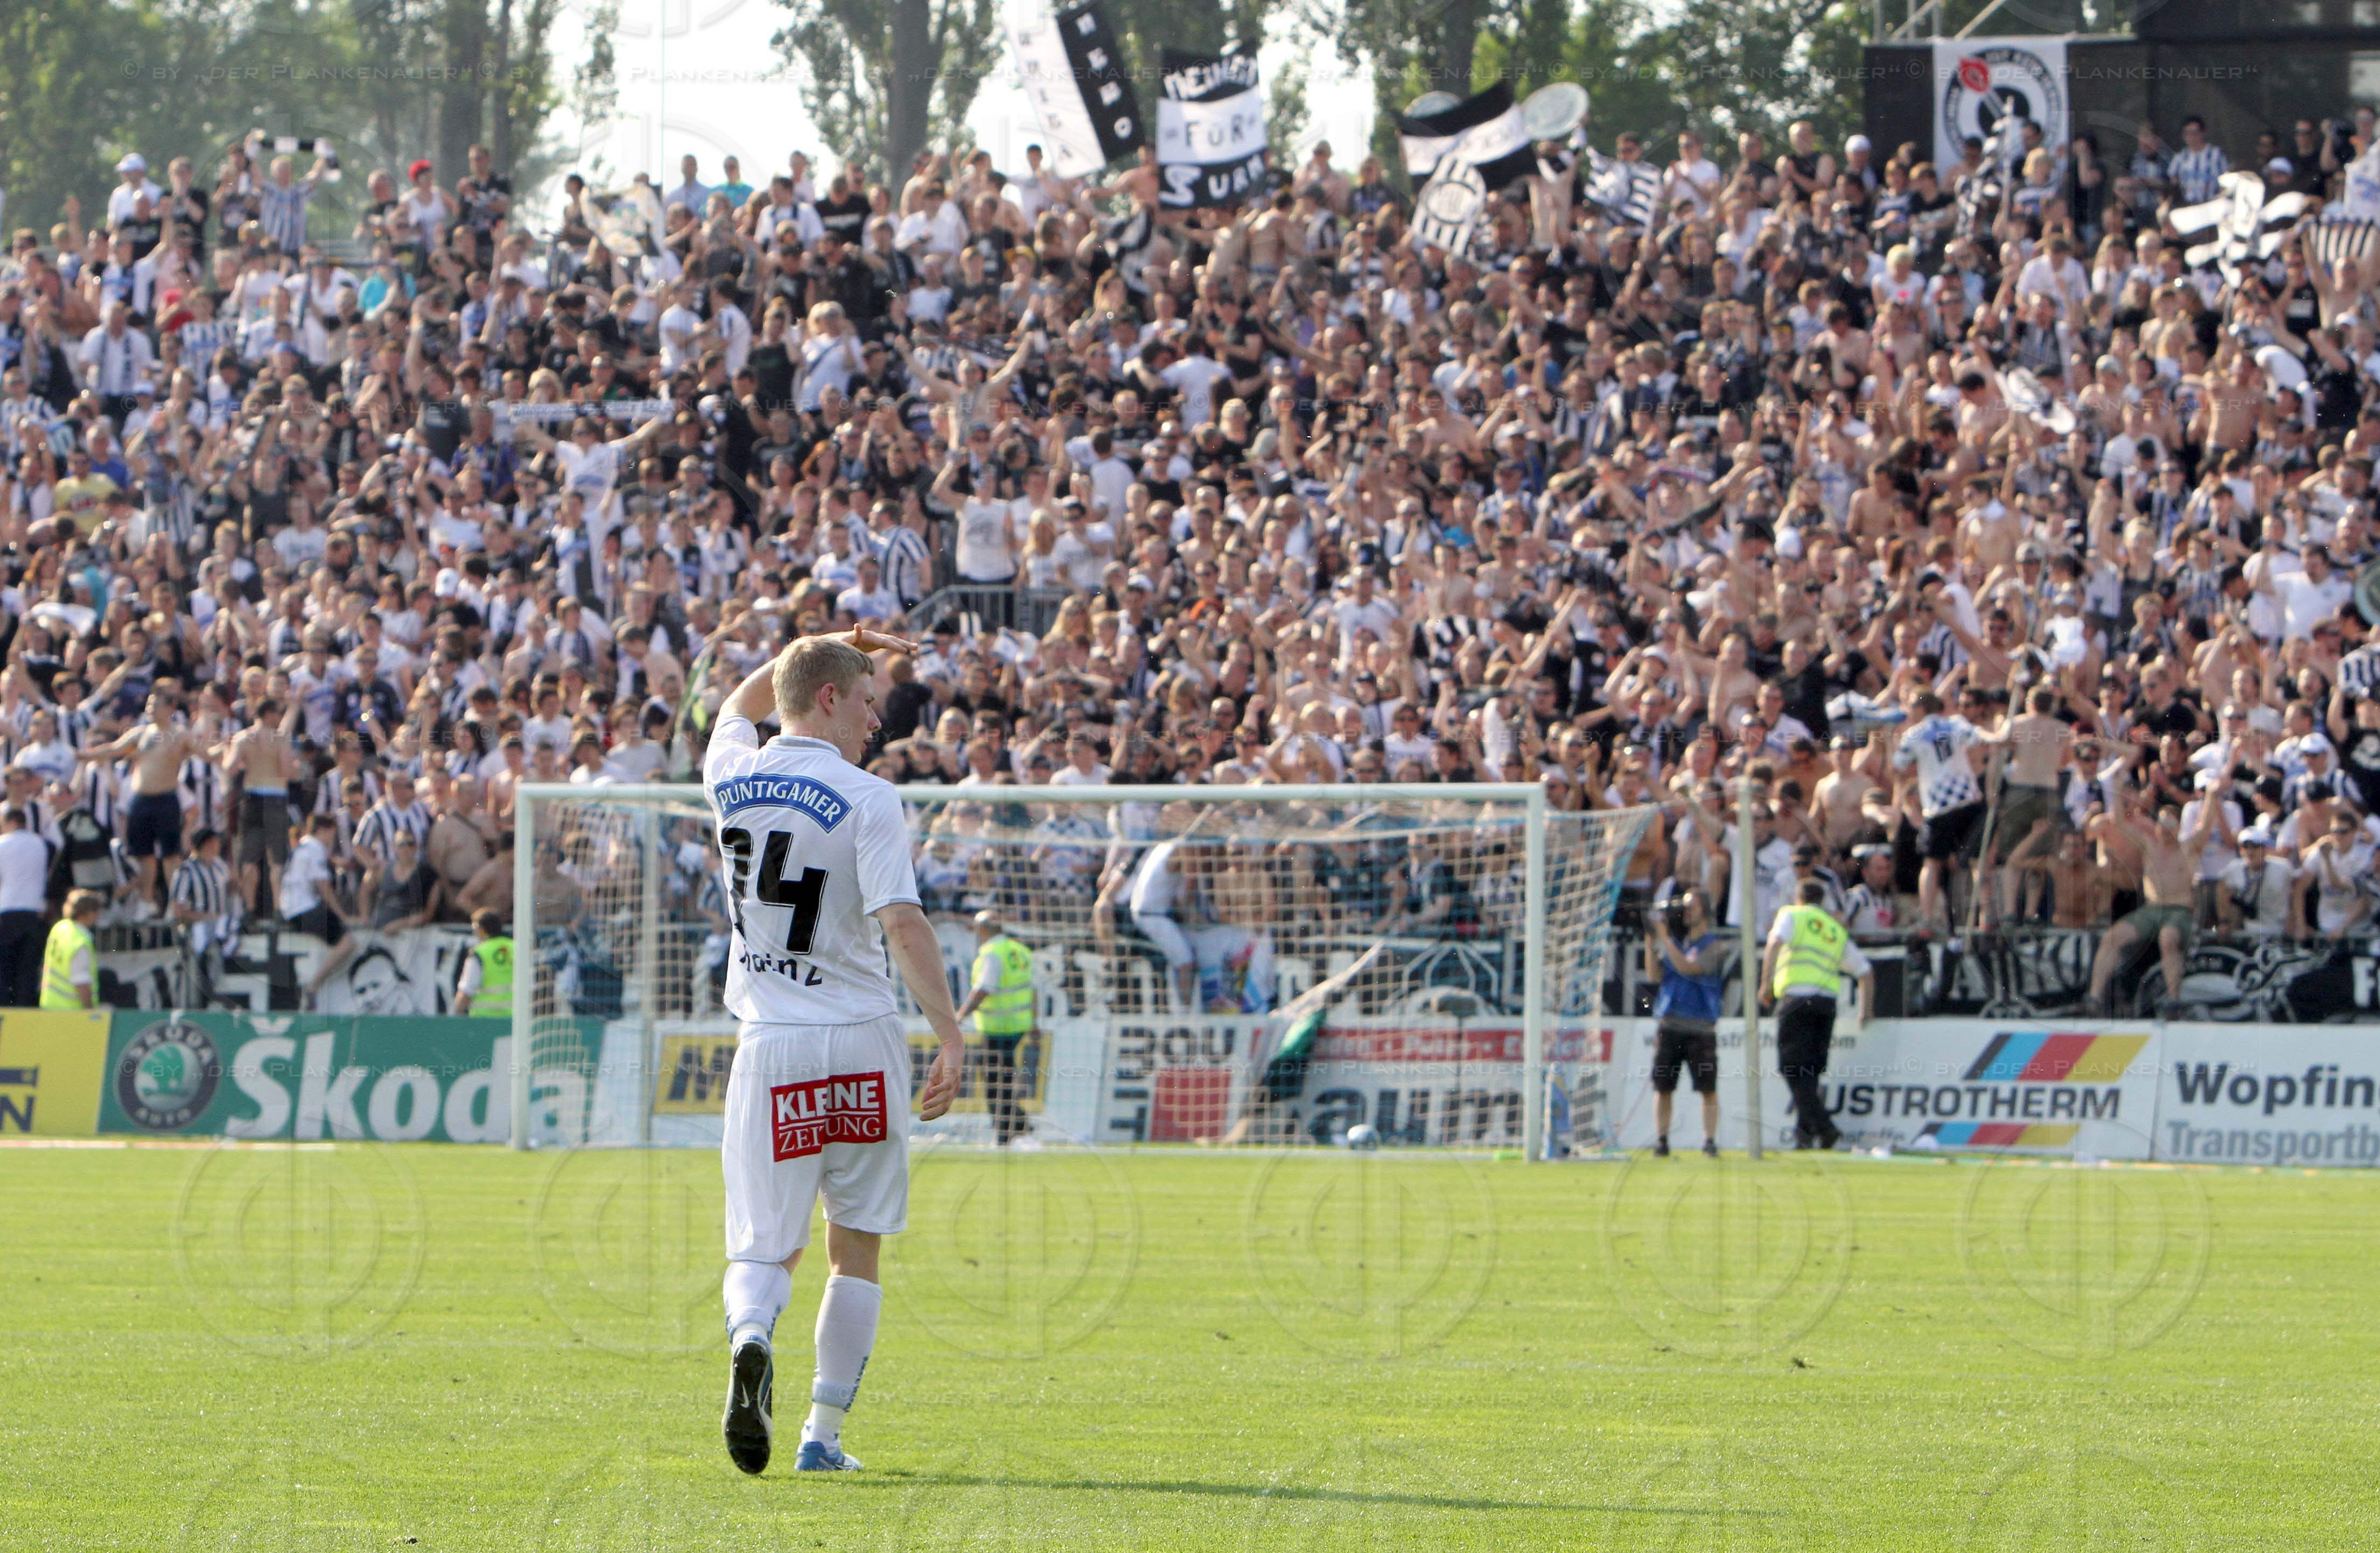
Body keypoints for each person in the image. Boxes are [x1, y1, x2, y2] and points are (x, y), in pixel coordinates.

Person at [705, 625, 964, 1476]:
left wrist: (821, 641)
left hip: (772, 1042)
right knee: (856, 1242)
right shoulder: (869, 797)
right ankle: (822, 1435)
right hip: (859, 1042)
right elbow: (902, 923)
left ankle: (752, 1337)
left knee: (761, 1246)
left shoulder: (729, 773)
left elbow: (743, 701)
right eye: (865, 701)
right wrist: (950, 1033)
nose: (876, 721)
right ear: (828, 699)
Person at [1759, 877, 1872, 1150]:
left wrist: (1766, 983)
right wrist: (1865, 1010)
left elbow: (1774, 944)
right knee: (1810, 1072)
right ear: (1822, 901)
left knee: (1791, 1068)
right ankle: (1804, 1136)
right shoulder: (1834, 929)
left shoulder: (1792, 915)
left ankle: (1825, 1127)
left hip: (1797, 999)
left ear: (1798, 898)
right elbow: (1865, 972)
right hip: (1827, 1003)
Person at [1642, 887, 1724, 1157]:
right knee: (1663, 1087)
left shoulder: (1713, 946)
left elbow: (1690, 968)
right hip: (1670, 1024)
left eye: (1692, 907)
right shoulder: (1677, 944)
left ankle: (1709, 1140)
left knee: (1708, 1088)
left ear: (1705, 911)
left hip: (1701, 1026)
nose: (1686, 912)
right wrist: (1650, 941)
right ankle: (1662, 1140)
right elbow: (1654, 976)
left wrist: (1665, 939)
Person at [955, 909, 1036, 1146]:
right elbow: (1033, 989)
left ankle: (1005, 1135)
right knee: (1004, 1078)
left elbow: (984, 989)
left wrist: (960, 1015)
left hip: (998, 1027)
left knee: (995, 1082)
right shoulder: (1019, 950)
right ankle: (1020, 1125)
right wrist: (1035, 1022)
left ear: (983, 930)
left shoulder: (992, 953)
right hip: (1018, 1024)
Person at [0, 809, 50, 1005]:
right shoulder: (39, 844)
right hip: (34, 912)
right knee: (28, 969)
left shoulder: (3, 844)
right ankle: (25, 1012)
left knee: (4, 969)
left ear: (12, 822)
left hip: (7, 911)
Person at [40, 890, 104, 1010]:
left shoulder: (59, 929)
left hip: (50, 1007)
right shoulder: (80, 941)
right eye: (96, 911)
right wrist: (90, 1012)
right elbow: (81, 981)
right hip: (73, 1012)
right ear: (89, 914)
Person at [454, 906, 514, 1017]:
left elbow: (466, 990)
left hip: (485, 1021)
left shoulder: (479, 953)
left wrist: (454, 1017)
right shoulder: (517, 948)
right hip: (516, 1020)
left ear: (481, 929)